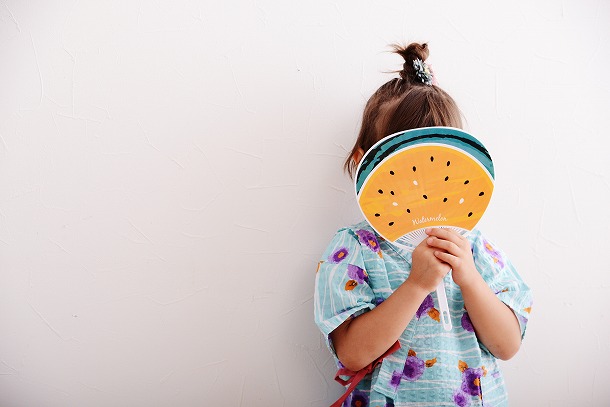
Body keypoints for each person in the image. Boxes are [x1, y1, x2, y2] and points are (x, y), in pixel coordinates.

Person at [313, 43, 533, 407]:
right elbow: (352, 354)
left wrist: (470, 279)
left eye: (442, 164)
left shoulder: (475, 247)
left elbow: (507, 346)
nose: (424, 182)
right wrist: (416, 284)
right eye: (406, 166)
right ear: (362, 163)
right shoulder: (354, 248)